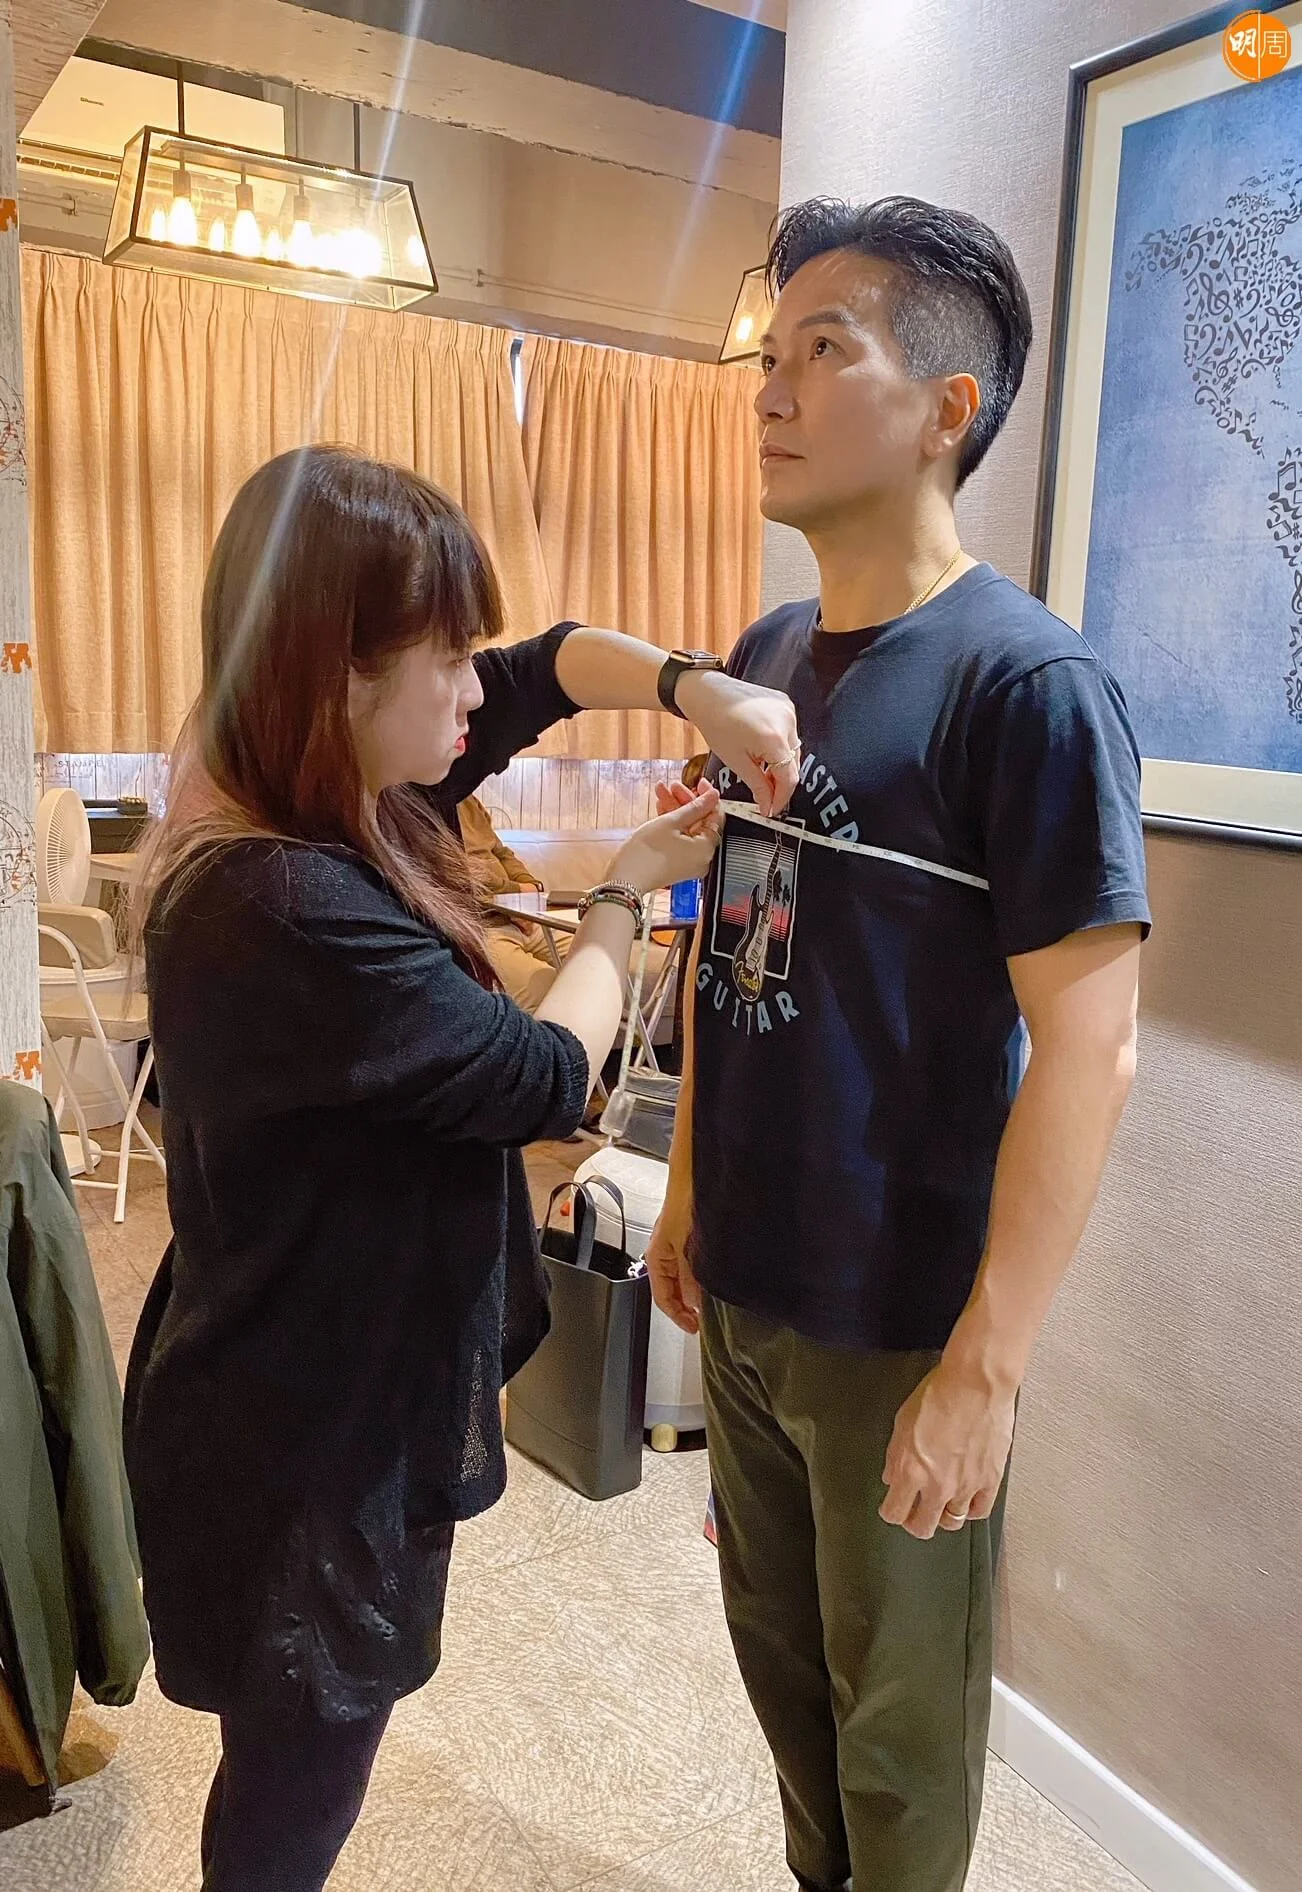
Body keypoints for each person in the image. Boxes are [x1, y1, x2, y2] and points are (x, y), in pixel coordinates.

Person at [122, 444, 799, 1892]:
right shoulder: (285, 895)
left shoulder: (336, 799)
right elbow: (543, 1077)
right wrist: (624, 896)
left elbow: (547, 665)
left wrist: (700, 689)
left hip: (311, 1381)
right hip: (301, 1440)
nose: (473, 694)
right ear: (338, 674)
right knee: (296, 1793)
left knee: (297, 1765)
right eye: (441, 659)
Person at [647, 196, 1151, 1892]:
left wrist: (983, 1370)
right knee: (787, 1690)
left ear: (945, 408)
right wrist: (687, 1183)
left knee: (901, 1739)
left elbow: (1090, 1048)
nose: (769, 389)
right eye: (766, 352)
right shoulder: (763, 658)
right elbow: (735, 929)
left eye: (823, 349)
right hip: (748, 1283)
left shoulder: (1028, 686)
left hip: (898, 1321)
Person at [456, 793, 560, 1012]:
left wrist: (531, 887)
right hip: (483, 926)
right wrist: (516, 893)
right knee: (548, 990)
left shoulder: (467, 798)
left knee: (595, 958)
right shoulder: (421, 805)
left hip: (522, 917)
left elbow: (502, 853)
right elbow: (459, 874)